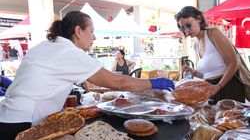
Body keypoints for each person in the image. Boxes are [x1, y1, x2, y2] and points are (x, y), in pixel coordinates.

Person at [0, 11, 175, 139]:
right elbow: (117, 81)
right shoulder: (69, 52)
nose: (94, 37)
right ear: (78, 31)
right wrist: (153, 83)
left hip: (7, 117)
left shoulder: (46, 46)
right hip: (22, 122)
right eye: (91, 31)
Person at [175, 6, 245, 104]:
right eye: (183, 28)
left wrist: (218, 86)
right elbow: (207, 75)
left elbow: (233, 63)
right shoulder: (196, 44)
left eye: (188, 25)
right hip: (211, 91)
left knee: (229, 118)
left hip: (228, 89)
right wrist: (194, 72)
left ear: (199, 19)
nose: (186, 31)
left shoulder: (213, 33)